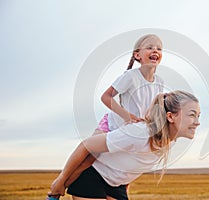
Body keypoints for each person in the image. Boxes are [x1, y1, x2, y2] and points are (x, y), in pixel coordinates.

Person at [47, 34, 164, 199]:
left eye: (159, 48)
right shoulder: (130, 76)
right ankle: (57, 187)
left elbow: (154, 108)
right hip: (111, 125)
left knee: (127, 160)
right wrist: (128, 116)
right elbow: (106, 96)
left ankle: (120, 189)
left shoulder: (159, 82)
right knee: (88, 159)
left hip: (129, 131)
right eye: (150, 47)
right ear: (138, 55)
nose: (155, 50)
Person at [48, 90, 201, 200]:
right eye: (192, 115)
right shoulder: (140, 133)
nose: (197, 122)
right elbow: (87, 145)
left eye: (198, 116)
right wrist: (60, 183)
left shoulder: (168, 142)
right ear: (170, 117)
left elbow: (134, 164)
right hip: (91, 177)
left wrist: (124, 185)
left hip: (116, 186)